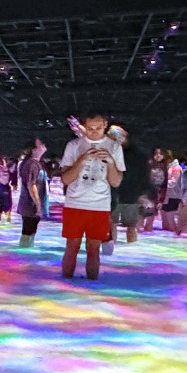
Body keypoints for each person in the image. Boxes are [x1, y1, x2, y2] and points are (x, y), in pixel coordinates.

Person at [59, 112, 125, 280]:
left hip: (100, 205)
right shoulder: (73, 145)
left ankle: (92, 284)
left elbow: (116, 182)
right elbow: (66, 179)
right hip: (74, 203)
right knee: (72, 246)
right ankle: (65, 281)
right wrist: (81, 160)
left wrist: (110, 162)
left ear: (105, 126)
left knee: (93, 248)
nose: (94, 132)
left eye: (98, 128)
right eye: (90, 128)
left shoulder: (114, 147)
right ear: (84, 127)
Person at [107, 126, 149, 246]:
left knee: (130, 225)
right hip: (113, 193)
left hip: (130, 193)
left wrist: (143, 193)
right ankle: (113, 251)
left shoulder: (137, 154)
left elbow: (144, 174)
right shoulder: (109, 151)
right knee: (112, 224)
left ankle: (130, 251)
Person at [16, 136, 47, 247]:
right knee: (28, 231)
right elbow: (31, 185)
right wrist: (38, 204)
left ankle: (25, 254)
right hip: (30, 204)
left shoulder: (33, 163)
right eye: (40, 144)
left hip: (29, 204)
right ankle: (23, 256)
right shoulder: (32, 164)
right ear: (33, 150)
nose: (43, 145)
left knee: (29, 231)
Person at [143, 148, 168, 231]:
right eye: (156, 153)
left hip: (156, 194)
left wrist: (161, 200)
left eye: (160, 154)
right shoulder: (148, 165)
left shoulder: (165, 167)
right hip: (145, 192)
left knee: (150, 218)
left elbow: (165, 185)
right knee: (140, 217)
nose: (158, 155)